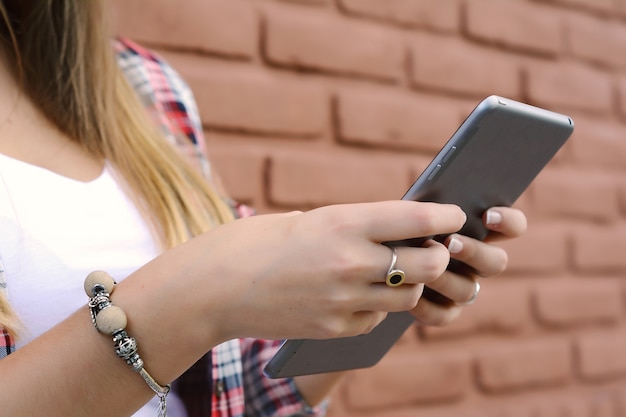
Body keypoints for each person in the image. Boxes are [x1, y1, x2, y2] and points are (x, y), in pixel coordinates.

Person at [0, 1, 527, 417]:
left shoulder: (140, 86)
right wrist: (205, 290)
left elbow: (232, 396)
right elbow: (206, 297)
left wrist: (379, 293)